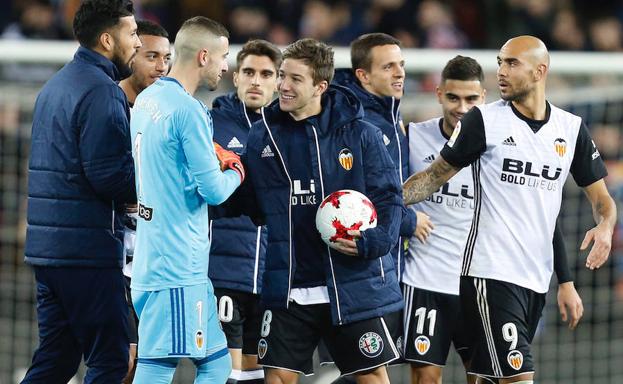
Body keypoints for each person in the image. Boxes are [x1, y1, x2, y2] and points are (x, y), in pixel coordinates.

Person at [402, 36, 617, 383]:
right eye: (500, 62)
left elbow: (601, 200)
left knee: (488, 379)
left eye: (511, 63)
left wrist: (605, 226)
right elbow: (432, 177)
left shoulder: (571, 129)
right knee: (519, 378)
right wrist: (386, 205)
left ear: (539, 71)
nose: (500, 71)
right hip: (489, 274)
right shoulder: (483, 122)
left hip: (534, 279)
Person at [222, 38, 404, 383]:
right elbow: (248, 203)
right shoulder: (263, 137)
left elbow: (389, 198)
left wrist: (372, 242)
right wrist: (210, 186)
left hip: (352, 285)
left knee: (372, 379)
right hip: (289, 285)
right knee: (275, 378)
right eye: (283, 76)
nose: (283, 86)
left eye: (295, 79)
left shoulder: (361, 134)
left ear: (321, 86)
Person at [22, 1, 140, 383]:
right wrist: (153, 187)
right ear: (108, 40)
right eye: (132, 34)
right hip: (87, 251)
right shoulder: (103, 91)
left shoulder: (55, 86)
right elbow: (108, 176)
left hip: (49, 250)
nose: (137, 43)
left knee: (56, 359)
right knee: (110, 362)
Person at [129, 16, 243, 383]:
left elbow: (169, 161)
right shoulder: (188, 110)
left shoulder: (147, 99)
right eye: (224, 56)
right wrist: (236, 169)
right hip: (176, 268)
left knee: (216, 364)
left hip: (154, 259)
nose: (227, 66)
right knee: (157, 369)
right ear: (204, 56)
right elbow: (214, 190)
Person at [208, 39, 281, 384]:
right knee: (227, 375)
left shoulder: (288, 131)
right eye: (249, 72)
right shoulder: (210, 124)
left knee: (256, 376)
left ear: (279, 81)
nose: (256, 80)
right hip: (223, 272)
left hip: (273, 277)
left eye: (266, 74)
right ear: (235, 77)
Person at [118, 19, 171, 384]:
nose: (161, 67)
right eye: (151, 56)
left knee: (150, 365)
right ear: (131, 56)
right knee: (122, 360)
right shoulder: (108, 105)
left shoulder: (170, 114)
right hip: (112, 259)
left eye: (166, 58)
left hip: (156, 264)